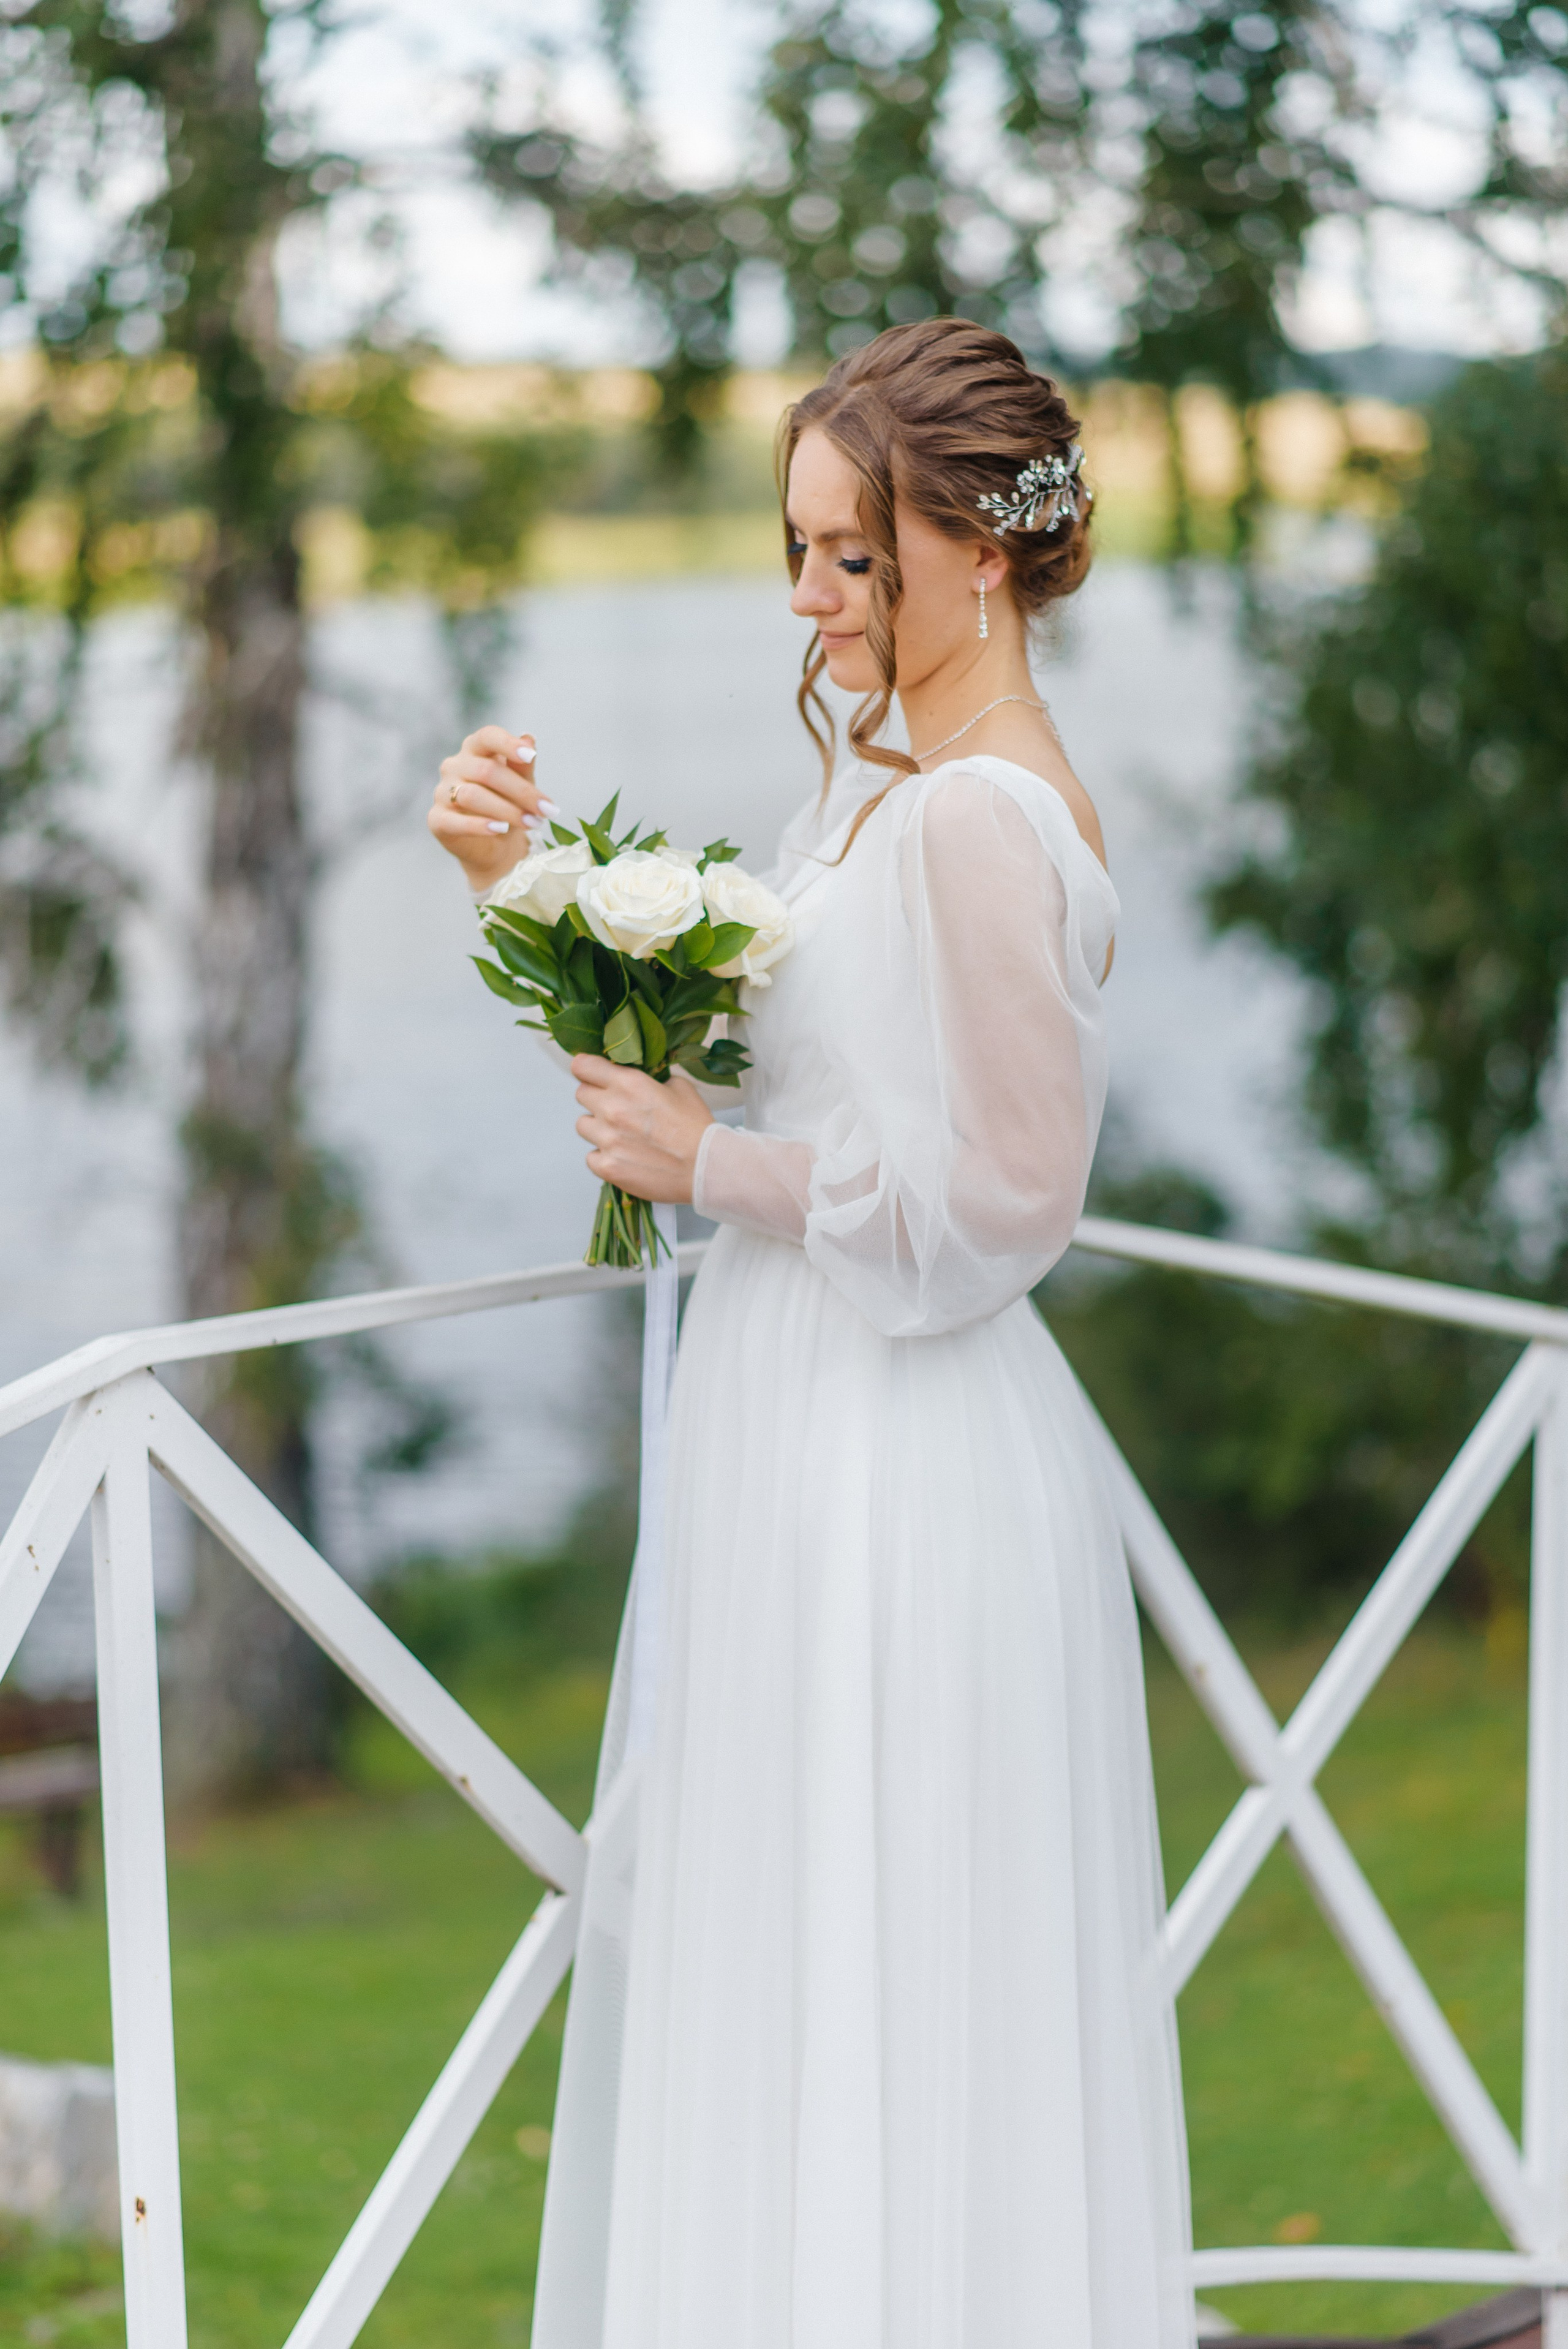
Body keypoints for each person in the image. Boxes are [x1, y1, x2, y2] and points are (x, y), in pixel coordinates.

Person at [429, 317, 1194, 2349]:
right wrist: (524, 872)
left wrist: (715, 1168)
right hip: (811, 1423)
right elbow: (799, 1023)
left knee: (891, 1969)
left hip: (903, 1457)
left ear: (984, 552)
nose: (807, 598)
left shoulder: (973, 818)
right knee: (791, 1960)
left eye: (847, 556)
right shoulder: (887, 790)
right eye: (800, 550)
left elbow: (1013, 1203)